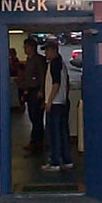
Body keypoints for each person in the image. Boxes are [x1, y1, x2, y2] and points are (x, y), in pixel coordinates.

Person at [41, 39, 74, 171]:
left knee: (53, 134)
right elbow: (66, 84)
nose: (45, 53)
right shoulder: (62, 65)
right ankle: (67, 160)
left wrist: (49, 101)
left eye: (47, 50)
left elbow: (56, 84)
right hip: (62, 103)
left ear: (54, 51)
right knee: (63, 132)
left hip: (55, 104)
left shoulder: (54, 64)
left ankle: (54, 162)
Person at [22, 37, 46, 153]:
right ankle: (35, 140)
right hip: (30, 90)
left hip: (36, 91)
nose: (24, 49)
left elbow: (42, 75)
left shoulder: (38, 60)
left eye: (26, 47)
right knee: (32, 115)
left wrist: (41, 90)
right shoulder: (29, 60)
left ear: (32, 47)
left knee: (37, 117)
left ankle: (37, 141)